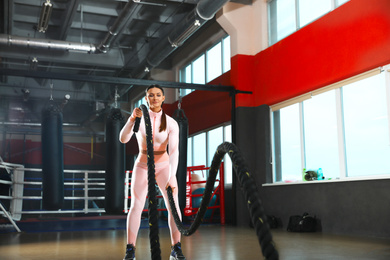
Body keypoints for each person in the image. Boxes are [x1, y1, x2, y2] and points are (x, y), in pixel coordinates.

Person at [119, 85, 186, 260]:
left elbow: (174, 151)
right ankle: (130, 250)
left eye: (158, 95)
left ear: (163, 98)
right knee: (136, 206)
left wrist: (172, 176)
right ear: (146, 98)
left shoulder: (171, 123)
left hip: (163, 165)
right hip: (142, 164)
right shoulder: (139, 118)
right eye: (151, 95)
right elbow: (123, 138)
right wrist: (131, 119)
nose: (155, 98)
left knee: (174, 206)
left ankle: (176, 248)